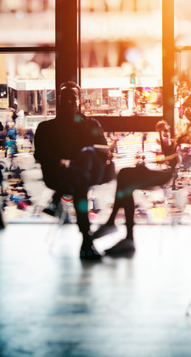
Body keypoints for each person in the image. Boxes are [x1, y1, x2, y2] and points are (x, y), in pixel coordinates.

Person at [91, 94, 191, 255]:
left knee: (126, 177)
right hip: (171, 173)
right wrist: (163, 141)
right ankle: (123, 233)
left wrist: (158, 161)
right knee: (125, 175)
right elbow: (174, 154)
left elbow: (185, 155)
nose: (184, 111)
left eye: (188, 107)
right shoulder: (189, 127)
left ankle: (121, 230)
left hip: (174, 177)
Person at [34, 81, 114, 260]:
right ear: (59, 100)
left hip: (80, 175)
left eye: (73, 98)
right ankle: (87, 241)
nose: (69, 102)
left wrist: (77, 161)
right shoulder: (46, 128)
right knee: (80, 184)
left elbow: (103, 150)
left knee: (88, 155)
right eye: (65, 98)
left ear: (79, 101)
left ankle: (56, 200)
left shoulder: (90, 124)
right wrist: (63, 162)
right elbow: (40, 154)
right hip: (61, 175)